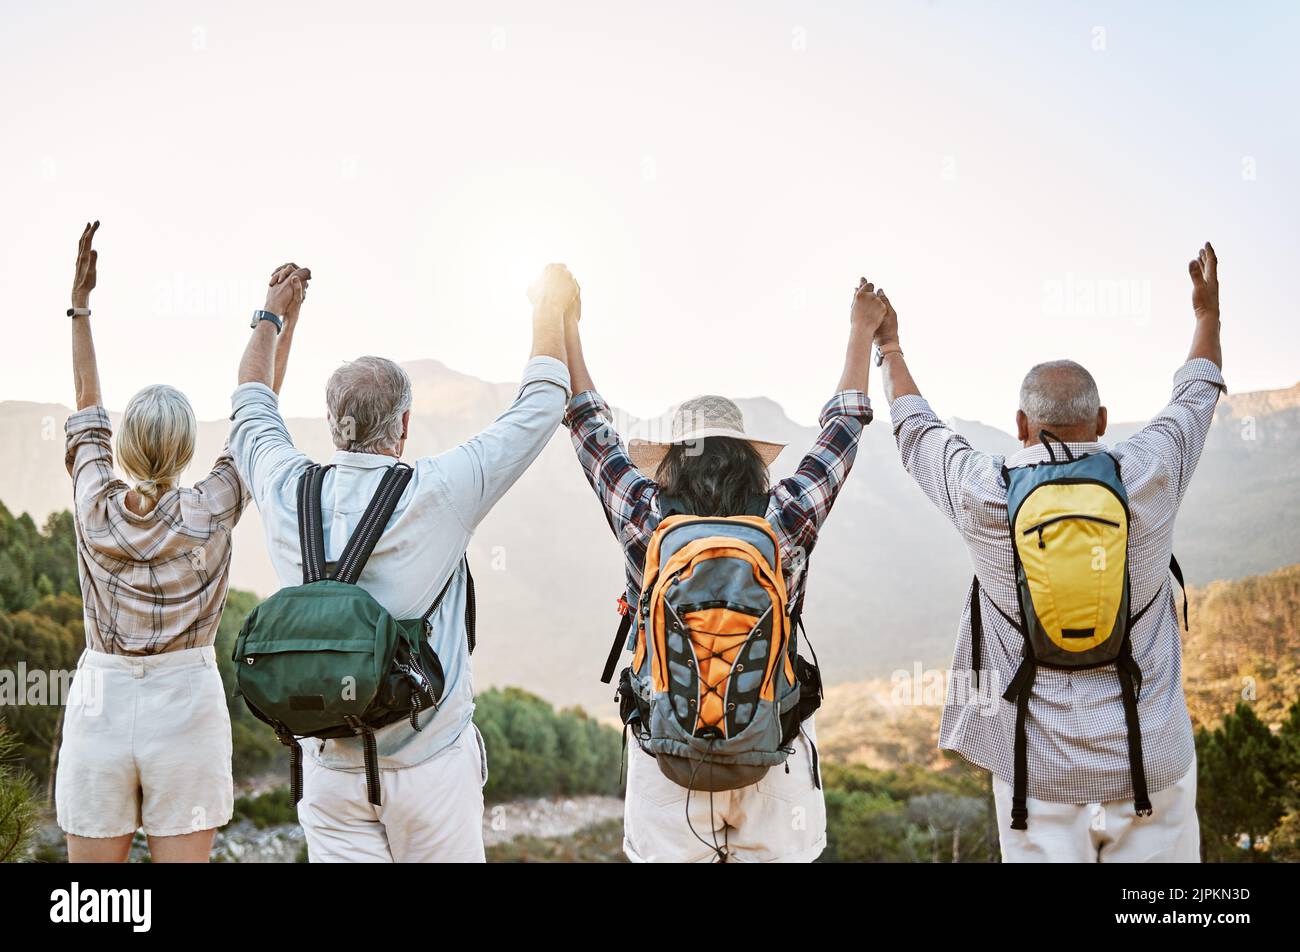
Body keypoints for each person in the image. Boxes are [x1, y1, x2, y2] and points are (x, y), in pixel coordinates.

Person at [879, 243, 1225, 862]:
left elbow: (915, 429)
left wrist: (890, 348)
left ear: (1019, 424)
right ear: (1103, 419)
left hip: (1034, 777)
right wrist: (1207, 315)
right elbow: (1196, 394)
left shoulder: (984, 490)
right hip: (1148, 762)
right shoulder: (1149, 470)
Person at [228, 261, 576, 862]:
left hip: (327, 768)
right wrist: (549, 306)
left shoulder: (286, 487)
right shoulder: (442, 489)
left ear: (334, 425)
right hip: (430, 765)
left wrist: (274, 315)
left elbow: (251, 405)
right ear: (406, 425)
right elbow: (542, 402)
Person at [561, 275, 884, 862]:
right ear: (747, 459)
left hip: (666, 752)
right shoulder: (785, 514)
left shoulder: (644, 513)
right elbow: (844, 430)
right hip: (773, 747)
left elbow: (588, 426)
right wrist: (864, 332)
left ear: (670, 463)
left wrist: (566, 327)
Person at [57, 221, 251, 862]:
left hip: (100, 706)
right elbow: (259, 412)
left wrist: (81, 306)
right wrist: (275, 320)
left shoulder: (95, 507)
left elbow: (87, 403)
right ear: (187, 448)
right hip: (187, 708)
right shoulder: (212, 510)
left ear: (125, 445)